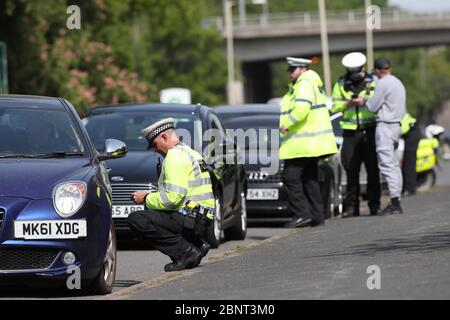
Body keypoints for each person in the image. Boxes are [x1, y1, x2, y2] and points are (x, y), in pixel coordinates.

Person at [127, 118, 215, 272]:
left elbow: (172, 199)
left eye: (154, 144)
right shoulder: (190, 152)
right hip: (201, 220)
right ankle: (196, 245)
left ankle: (186, 252)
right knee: (157, 214)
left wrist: (146, 198)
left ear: (165, 138)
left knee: (138, 219)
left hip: (190, 219)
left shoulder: (174, 157)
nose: (154, 150)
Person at [280, 57, 338, 228]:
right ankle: (317, 215)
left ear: (302, 69)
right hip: (310, 143)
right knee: (309, 179)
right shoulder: (312, 83)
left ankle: (302, 214)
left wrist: (286, 124)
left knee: (290, 178)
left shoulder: (304, 83)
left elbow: (302, 109)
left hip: (302, 144)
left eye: (292, 70)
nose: (290, 73)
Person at [352, 57, 406, 215]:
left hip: (385, 127)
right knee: (394, 166)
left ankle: (395, 203)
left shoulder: (383, 83)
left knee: (386, 165)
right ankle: (397, 200)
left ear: (376, 71)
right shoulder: (397, 82)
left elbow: (373, 106)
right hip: (396, 126)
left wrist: (364, 100)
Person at [331, 52, 380, 217]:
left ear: (363, 68)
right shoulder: (340, 83)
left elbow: (379, 99)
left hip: (369, 130)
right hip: (350, 133)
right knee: (351, 171)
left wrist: (365, 101)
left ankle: (375, 205)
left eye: (357, 72)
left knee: (372, 170)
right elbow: (334, 106)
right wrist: (347, 103)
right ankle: (352, 208)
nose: (354, 76)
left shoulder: (373, 81)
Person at [400, 113, 421, 196]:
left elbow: (401, 130)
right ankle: (407, 188)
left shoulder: (394, 114)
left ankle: (410, 189)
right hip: (411, 132)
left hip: (412, 133)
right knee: (406, 163)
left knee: (409, 163)